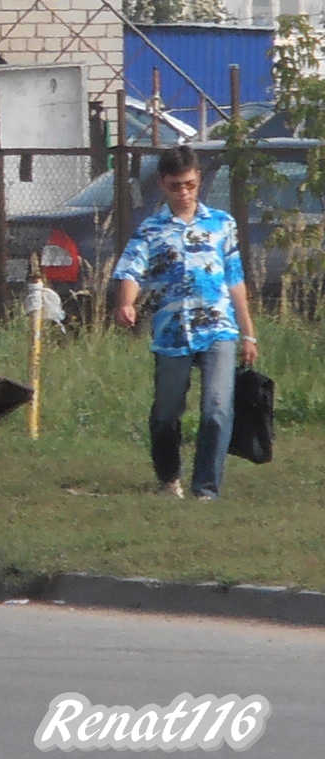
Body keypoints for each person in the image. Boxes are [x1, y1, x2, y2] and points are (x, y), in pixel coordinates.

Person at [113, 146, 259, 501]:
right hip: (172, 333)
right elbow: (131, 269)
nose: (184, 192)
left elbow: (235, 278)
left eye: (190, 184)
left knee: (216, 409)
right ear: (163, 184)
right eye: (176, 185)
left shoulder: (221, 224)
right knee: (166, 414)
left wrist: (248, 333)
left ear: (199, 181)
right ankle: (168, 478)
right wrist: (126, 302)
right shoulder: (151, 229)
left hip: (218, 328)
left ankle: (206, 489)